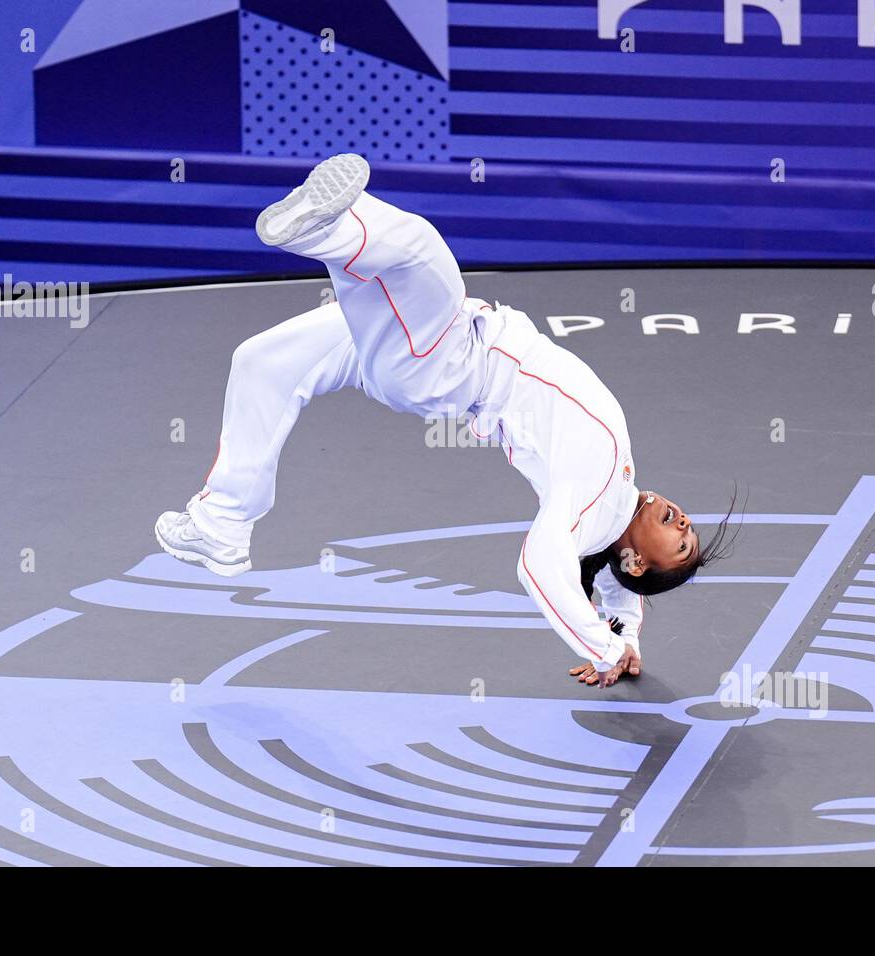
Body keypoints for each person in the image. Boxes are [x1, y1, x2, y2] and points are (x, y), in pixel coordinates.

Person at [155, 154, 735, 688]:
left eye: (679, 545)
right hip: (440, 349)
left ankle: (324, 230)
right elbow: (615, 585)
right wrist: (623, 636)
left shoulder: (595, 500)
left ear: (638, 558)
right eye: (690, 531)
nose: (685, 524)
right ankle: (222, 524)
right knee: (263, 364)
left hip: (447, 364)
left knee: (420, 252)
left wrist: (601, 651)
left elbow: (541, 565)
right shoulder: (612, 514)